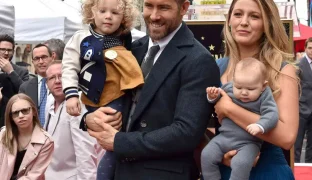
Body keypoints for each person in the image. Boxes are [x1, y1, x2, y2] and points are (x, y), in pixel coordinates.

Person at [82, 0, 220, 179]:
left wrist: (119, 142)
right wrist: (89, 118)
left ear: (184, 8)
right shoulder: (131, 49)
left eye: (164, 7)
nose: (154, 16)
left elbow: (186, 133)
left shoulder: (198, 59)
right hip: (119, 172)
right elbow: (110, 97)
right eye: (149, 6)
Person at [213, 0, 299, 179]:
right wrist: (219, 154)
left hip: (267, 171)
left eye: (254, 16)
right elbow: (198, 128)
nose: (244, 21)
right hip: (222, 170)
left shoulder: (282, 70)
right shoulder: (215, 68)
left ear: (267, 23)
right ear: (229, 20)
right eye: (238, 14)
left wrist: (229, 108)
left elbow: (287, 137)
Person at [61, 0, 144, 179]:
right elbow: (69, 66)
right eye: (103, 11)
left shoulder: (128, 39)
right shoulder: (80, 38)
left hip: (118, 97)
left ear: (124, 17)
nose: (108, 16)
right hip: (89, 98)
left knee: (114, 142)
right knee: (102, 144)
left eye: (115, 13)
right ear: (92, 12)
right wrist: (70, 94)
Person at [201, 58, 278, 180]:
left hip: (249, 143)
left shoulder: (265, 95)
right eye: (239, 87)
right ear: (233, 82)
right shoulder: (229, 88)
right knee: (206, 155)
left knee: (240, 163)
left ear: (263, 86)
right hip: (224, 137)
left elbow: (272, 114)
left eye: (250, 89)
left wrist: (260, 125)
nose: (244, 93)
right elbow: (217, 101)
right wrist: (212, 96)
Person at [44, 60, 99, 179]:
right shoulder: (49, 103)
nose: (57, 81)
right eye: (52, 78)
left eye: (61, 76)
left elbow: (85, 152)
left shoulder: (78, 104)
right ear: (47, 83)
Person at [0, 93, 54, 180]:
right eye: (15, 113)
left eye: (25, 110)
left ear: (33, 112)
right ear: (11, 117)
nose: (20, 116)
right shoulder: (3, 134)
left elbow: (34, 175)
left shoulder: (46, 141)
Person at [19, 44, 55, 127]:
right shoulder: (25, 88)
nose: (41, 61)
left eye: (44, 57)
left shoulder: (63, 83)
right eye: (36, 58)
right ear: (32, 62)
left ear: (52, 57)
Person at [0, 34, 29, 125]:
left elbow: (26, 93)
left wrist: (11, 72)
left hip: (13, 120)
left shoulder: (21, 71)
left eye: (9, 50)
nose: (6, 53)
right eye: (2, 49)